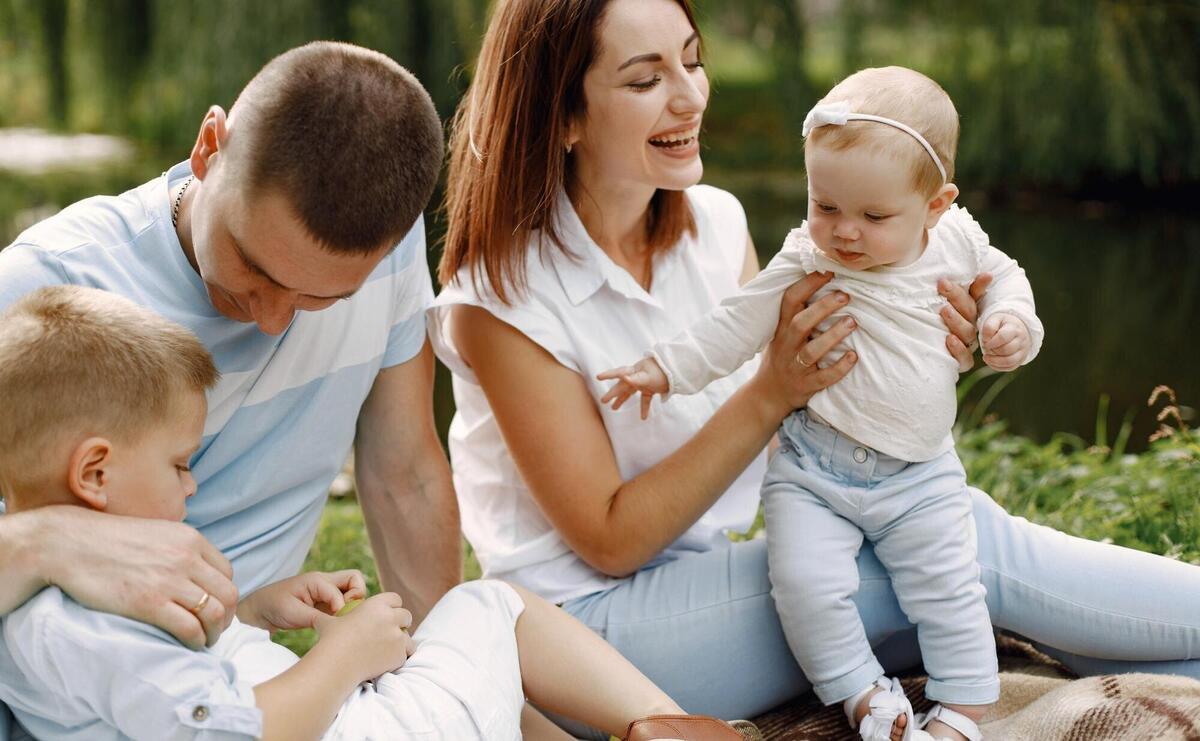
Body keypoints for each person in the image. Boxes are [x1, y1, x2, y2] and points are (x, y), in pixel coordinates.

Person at [428, 0, 1200, 737]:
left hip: (720, 583)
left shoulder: (714, 224)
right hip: (594, 639)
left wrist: (916, 355)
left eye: (693, 63)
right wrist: (772, 390)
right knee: (971, 549)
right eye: (644, 78)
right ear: (562, 114)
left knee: (939, 539)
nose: (689, 96)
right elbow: (610, 537)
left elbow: (804, 420)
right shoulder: (503, 297)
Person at [0, 285, 751, 741]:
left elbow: (170, 692)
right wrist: (345, 655)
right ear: (95, 472)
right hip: (364, 730)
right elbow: (251, 732)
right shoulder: (79, 626)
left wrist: (258, 609)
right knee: (492, 609)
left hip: (347, 717)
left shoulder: (65, 597)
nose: (190, 488)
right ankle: (674, 726)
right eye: (179, 464)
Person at [0, 41, 458, 739]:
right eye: (253, 266)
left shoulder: (381, 251)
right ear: (209, 146)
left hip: (249, 669)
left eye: (319, 297)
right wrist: (44, 540)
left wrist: (440, 674)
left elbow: (405, 474)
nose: (272, 320)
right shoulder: (45, 287)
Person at [597, 65, 1044, 741]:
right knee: (803, 586)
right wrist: (664, 370)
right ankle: (864, 695)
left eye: (873, 216)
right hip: (814, 469)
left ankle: (959, 711)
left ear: (937, 205)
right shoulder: (808, 257)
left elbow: (1005, 279)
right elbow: (737, 320)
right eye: (826, 205)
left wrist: (1012, 324)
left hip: (918, 474)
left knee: (950, 587)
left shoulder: (956, 243)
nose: (845, 233)